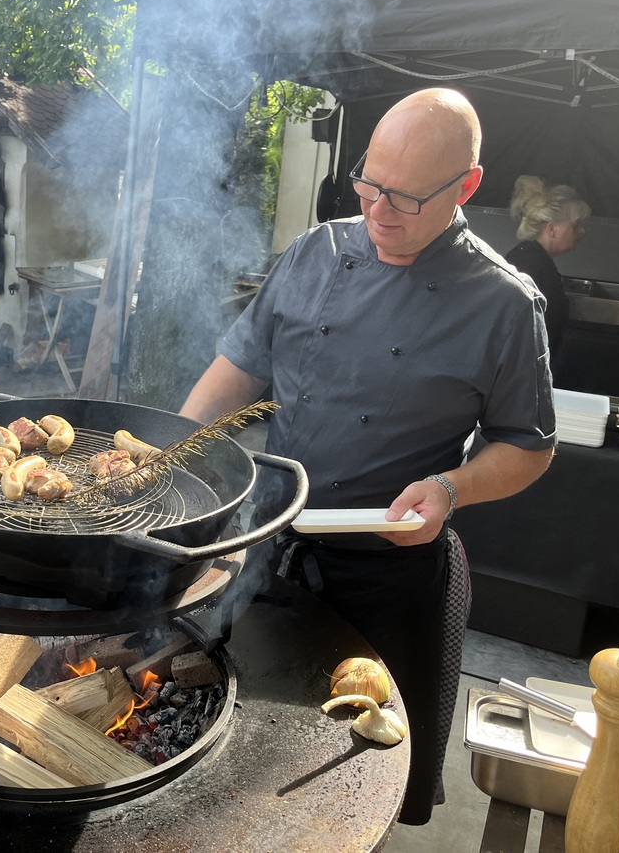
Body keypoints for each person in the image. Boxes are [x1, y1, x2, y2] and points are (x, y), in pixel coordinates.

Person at [180, 88, 556, 825]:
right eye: (369, 183)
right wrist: (166, 463)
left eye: (407, 198)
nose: (380, 209)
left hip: (390, 576)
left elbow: (529, 446)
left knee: (349, 792)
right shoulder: (314, 253)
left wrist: (452, 486)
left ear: (467, 186)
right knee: (230, 758)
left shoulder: (505, 303)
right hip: (267, 552)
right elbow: (237, 373)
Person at [507, 175, 591, 375]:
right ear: (551, 229)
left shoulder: (531, 258)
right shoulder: (530, 266)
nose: (581, 231)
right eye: (575, 225)